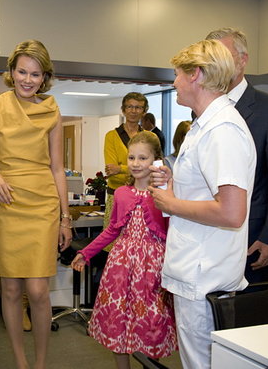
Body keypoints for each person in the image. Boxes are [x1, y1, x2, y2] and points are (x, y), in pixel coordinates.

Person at [149, 40, 256, 369]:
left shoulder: (222, 129)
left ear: (195, 74)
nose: (174, 83)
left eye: (177, 75)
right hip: (196, 269)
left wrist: (170, 201)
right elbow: (204, 194)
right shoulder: (204, 126)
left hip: (204, 273)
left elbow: (231, 211)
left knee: (203, 364)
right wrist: (174, 181)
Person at [0, 40, 72, 369]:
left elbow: (57, 167)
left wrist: (65, 218)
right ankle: (21, 363)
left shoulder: (52, 110)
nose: (28, 79)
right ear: (11, 72)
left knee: (39, 290)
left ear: (45, 77)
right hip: (5, 201)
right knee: (11, 289)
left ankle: (40, 364)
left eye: (35, 74)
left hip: (42, 204)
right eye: (22, 71)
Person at [72, 131, 176, 369]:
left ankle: (150, 365)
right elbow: (112, 230)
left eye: (143, 158)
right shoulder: (121, 193)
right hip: (121, 267)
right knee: (118, 323)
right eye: (131, 158)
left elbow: (173, 233)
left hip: (153, 268)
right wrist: (85, 252)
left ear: (156, 161)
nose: (136, 164)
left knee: (152, 323)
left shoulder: (164, 194)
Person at [206, 27, 268, 283]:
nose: (216, 65)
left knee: (244, 317)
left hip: (253, 239)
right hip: (211, 237)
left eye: (223, 56)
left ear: (243, 60)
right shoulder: (204, 111)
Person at [102, 93, 147, 251]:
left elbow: (151, 168)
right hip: (116, 196)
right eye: (130, 106)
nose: (133, 111)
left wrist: (120, 168)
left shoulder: (150, 137)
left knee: (138, 246)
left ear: (144, 111)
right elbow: (110, 169)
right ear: (123, 109)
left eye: (138, 107)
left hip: (142, 198)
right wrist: (139, 167)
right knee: (113, 245)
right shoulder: (112, 136)